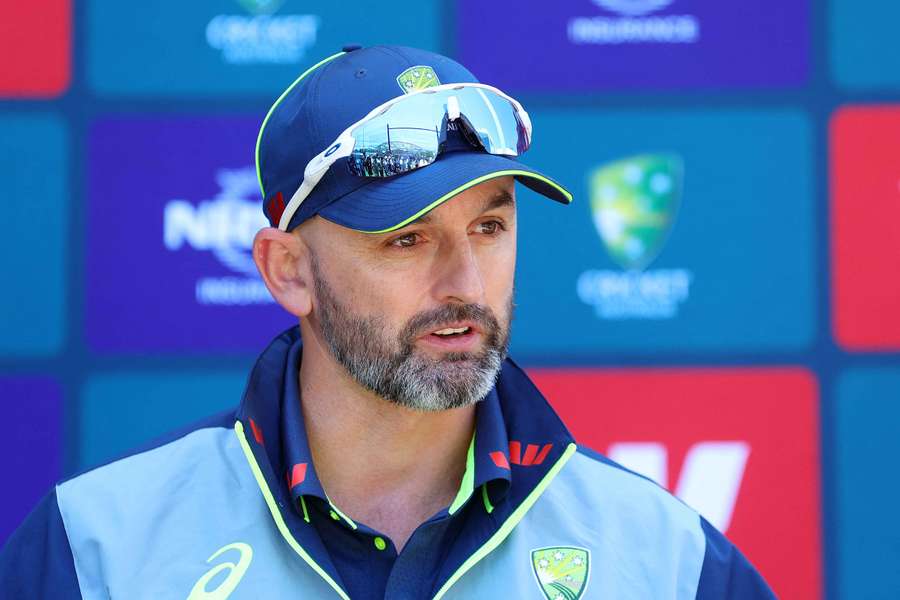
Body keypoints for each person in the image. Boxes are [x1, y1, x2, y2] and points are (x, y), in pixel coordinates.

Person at [0, 45, 775, 599]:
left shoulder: (663, 558)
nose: (464, 284)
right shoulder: (98, 547)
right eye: (405, 238)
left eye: (489, 228)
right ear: (288, 271)